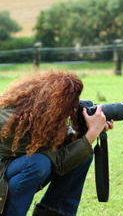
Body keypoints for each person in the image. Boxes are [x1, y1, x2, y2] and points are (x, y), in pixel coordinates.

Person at [0, 70, 114, 216]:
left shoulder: (36, 112)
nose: (71, 110)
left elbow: (56, 142)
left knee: (81, 152)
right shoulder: (13, 121)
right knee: (37, 163)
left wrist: (87, 129)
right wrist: (91, 134)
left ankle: (55, 212)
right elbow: (59, 160)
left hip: (13, 168)